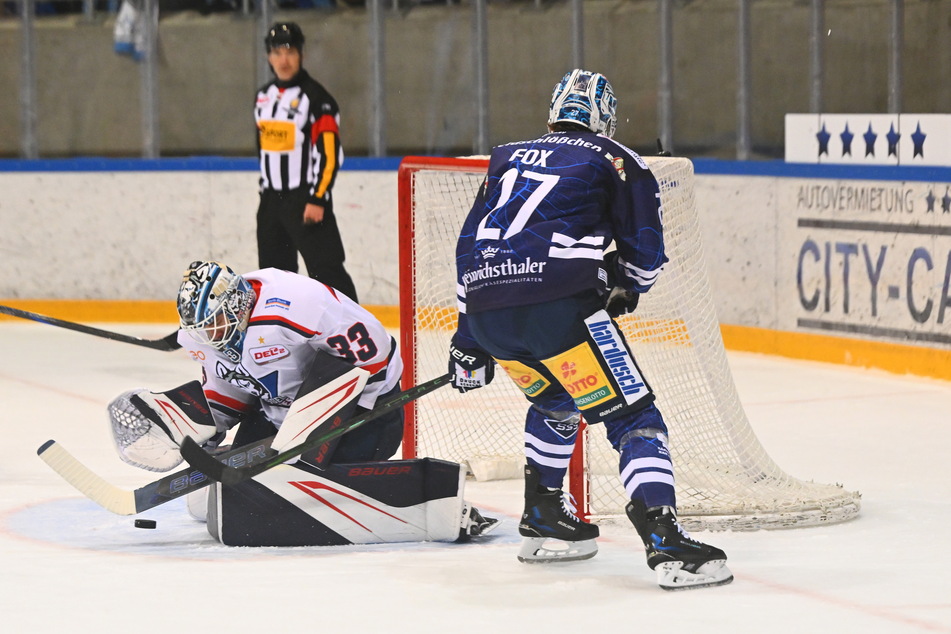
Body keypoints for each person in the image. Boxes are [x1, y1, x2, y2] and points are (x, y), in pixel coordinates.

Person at [447, 69, 732, 590]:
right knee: (634, 418)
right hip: (560, 312)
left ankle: (544, 518)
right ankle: (665, 538)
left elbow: (469, 246)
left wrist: (468, 341)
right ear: (604, 118)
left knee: (558, 399)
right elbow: (645, 251)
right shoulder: (616, 158)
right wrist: (626, 284)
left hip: (490, 318)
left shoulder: (504, 154)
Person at [108, 260, 497, 545]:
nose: (209, 336)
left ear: (236, 306)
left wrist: (318, 427)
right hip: (281, 414)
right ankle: (295, 460)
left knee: (304, 488)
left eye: (214, 324)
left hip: (366, 413)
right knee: (252, 493)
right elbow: (231, 387)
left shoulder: (299, 305)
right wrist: (203, 430)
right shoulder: (204, 337)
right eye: (201, 329)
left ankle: (433, 500)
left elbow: (376, 355)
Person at [255, 22, 358, 302]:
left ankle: (357, 333)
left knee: (328, 273)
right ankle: (285, 337)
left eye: (289, 51)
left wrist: (318, 198)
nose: (283, 59)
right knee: (274, 277)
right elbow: (264, 150)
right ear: (268, 56)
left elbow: (330, 155)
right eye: (277, 52)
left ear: (300, 54)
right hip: (271, 203)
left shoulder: (317, 99)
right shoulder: (263, 97)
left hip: (306, 200)